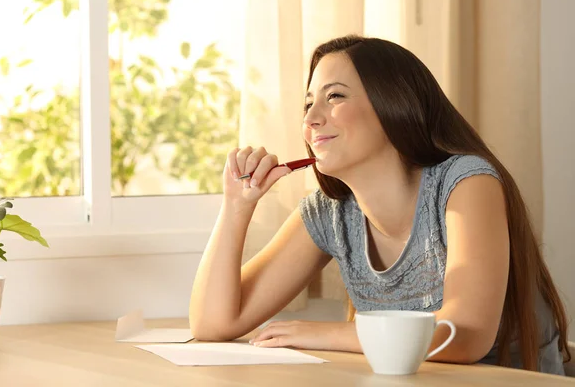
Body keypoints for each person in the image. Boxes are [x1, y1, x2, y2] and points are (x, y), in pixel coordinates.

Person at [189, 35, 571, 375]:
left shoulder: (466, 183)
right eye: (308, 103)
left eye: (334, 96)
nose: (310, 118)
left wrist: (324, 334)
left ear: (394, 104)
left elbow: (464, 336)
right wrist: (237, 207)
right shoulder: (330, 212)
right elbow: (211, 324)